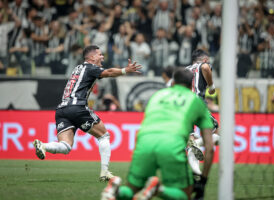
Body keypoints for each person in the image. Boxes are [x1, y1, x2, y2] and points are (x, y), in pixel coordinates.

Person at [101, 68, 214, 200]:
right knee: (185, 194)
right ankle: (158, 189)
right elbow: (210, 147)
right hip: (171, 144)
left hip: (144, 142)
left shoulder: (157, 95)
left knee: (132, 190)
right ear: (191, 85)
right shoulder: (196, 101)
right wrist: (203, 180)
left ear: (173, 83)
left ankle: (116, 191)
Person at [33, 45, 142, 181]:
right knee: (104, 136)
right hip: (77, 107)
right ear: (91, 57)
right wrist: (126, 70)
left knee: (66, 146)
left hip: (62, 109)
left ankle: (43, 145)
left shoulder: (77, 68)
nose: (102, 57)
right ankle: (104, 172)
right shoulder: (90, 68)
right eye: (100, 54)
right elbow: (108, 73)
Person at [185, 49, 220, 180]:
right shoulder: (203, 65)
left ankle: (195, 171)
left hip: (183, 105)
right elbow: (205, 67)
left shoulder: (184, 70)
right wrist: (211, 87)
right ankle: (199, 144)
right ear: (204, 59)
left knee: (191, 137)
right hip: (197, 103)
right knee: (215, 129)